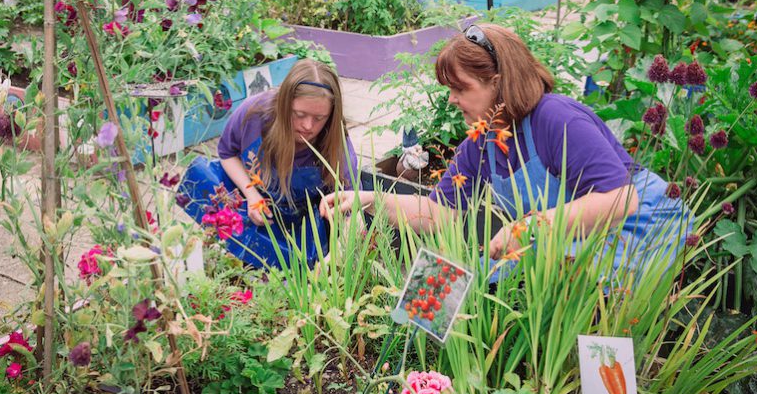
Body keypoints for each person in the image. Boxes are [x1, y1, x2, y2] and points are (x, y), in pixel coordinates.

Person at [319, 24, 692, 284]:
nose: (451, 99)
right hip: (567, 240)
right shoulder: (481, 143)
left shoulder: (554, 118)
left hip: (637, 230)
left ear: (497, 83)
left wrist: (529, 228)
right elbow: (436, 213)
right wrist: (367, 199)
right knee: (471, 280)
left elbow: (621, 200)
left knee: (553, 306)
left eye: (460, 88)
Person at [179, 58, 360, 269]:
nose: (308, 126)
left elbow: (352, 209)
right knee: (202, 177)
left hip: (301, 219)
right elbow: (227, 153)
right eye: (299, 115)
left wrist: (334, 260)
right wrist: (252, 195)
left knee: (301, 263)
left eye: (319, 118)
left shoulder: (337, 142)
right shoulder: (255, 113)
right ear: (285, 104)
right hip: (259, 203)